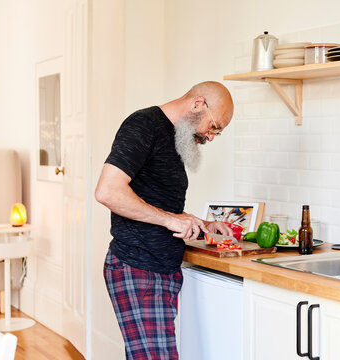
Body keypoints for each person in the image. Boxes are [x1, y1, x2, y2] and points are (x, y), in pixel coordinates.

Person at [95, 81, 234, 360]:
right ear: (197, 105)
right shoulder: (143, 125)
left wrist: (199, 223)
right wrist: (171, 221)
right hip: (138, 267)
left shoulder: (174, 136)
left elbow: (154, 202)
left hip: (161, 269)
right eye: (214, 126)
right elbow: (108, 191)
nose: (211, 137)